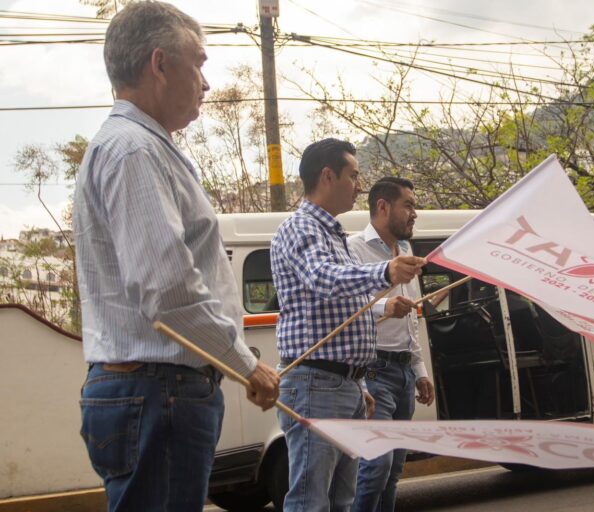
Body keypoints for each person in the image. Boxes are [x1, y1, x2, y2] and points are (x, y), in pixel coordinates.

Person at [73, 3, 279, 511]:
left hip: (153, 390)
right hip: (158, 389)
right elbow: (168, 291)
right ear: (160, 64)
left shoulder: (142, 148)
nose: (206, 82)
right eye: (199, 63)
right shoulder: (134, 151)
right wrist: (245, 364)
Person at [270, 139, 426, 512]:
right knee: (312, 501)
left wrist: (355, 381)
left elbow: (350, 304)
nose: (359, 185)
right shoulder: (301, 227)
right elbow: (324, 279)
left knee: (343, 500)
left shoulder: (333, 234)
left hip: (340, 383)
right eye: (353, 175)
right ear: (328, 176)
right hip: (315, 383)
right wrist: (384, 271)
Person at [348, 177, 436, 512]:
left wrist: (420, 369)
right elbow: (344, 310)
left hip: (403, 373)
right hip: (373, 371)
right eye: (409, 205)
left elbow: (412, 317)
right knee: (375, 467)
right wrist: (385, 307)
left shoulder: (407, 251)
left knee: (394, 470)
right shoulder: (353, 248)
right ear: (383, 207)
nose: (415, 213)